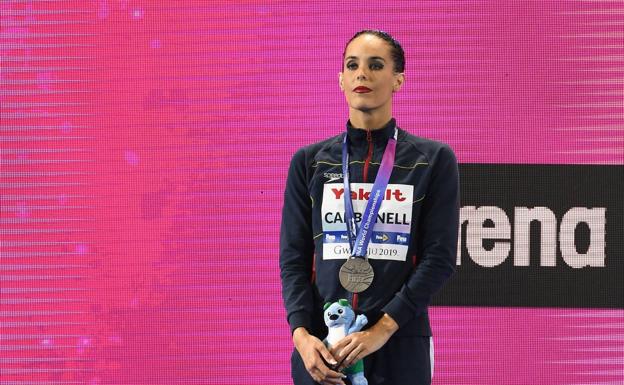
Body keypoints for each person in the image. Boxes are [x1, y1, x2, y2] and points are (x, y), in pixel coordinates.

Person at [280, 30, 459, 385]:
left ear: (398, 80)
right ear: (341, 80)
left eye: (376, 65)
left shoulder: (432, 160)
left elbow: (438, 259)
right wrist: (301, 336)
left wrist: (382, 329)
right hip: (321, 349)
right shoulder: (309, 162)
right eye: (352, 65)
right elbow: (293, 258)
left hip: (399, 344)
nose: (362, 73)